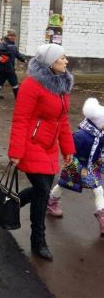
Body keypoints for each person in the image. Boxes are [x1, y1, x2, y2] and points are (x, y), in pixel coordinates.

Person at [8, 43, 75, 261]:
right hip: (31, 145)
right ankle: (38, 241)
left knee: (41, 191)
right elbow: (20, 120)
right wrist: (16, 152)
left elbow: (62, 121)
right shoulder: (32, 85)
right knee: (42, 190)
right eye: (61, 58)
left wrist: (68, 149)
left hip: (49, 148)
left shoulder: (62, 85)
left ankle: (11, 204)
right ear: (49, 63)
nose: (66, 61)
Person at [47, 98, 104, 234]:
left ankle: (102, 216)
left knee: (98, 190)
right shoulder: (81, 136)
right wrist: (72, 162)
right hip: (76, 165)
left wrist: (100, 159)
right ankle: (51, 202)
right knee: (63, 184)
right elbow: (69, 150)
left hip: (91, 167)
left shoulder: (100, 134)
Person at [0, 29, 26, 101]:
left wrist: (23, 59)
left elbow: (17, 53)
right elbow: (0, 51)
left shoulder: (13, 44)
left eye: (14, 36)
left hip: (7, 66)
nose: (12, 37)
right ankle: (18, 96)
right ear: (8, 36)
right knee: (14, 81)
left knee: (0, 80)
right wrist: (7, 53)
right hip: (7, 67)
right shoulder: (4, 43)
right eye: (11, 36)